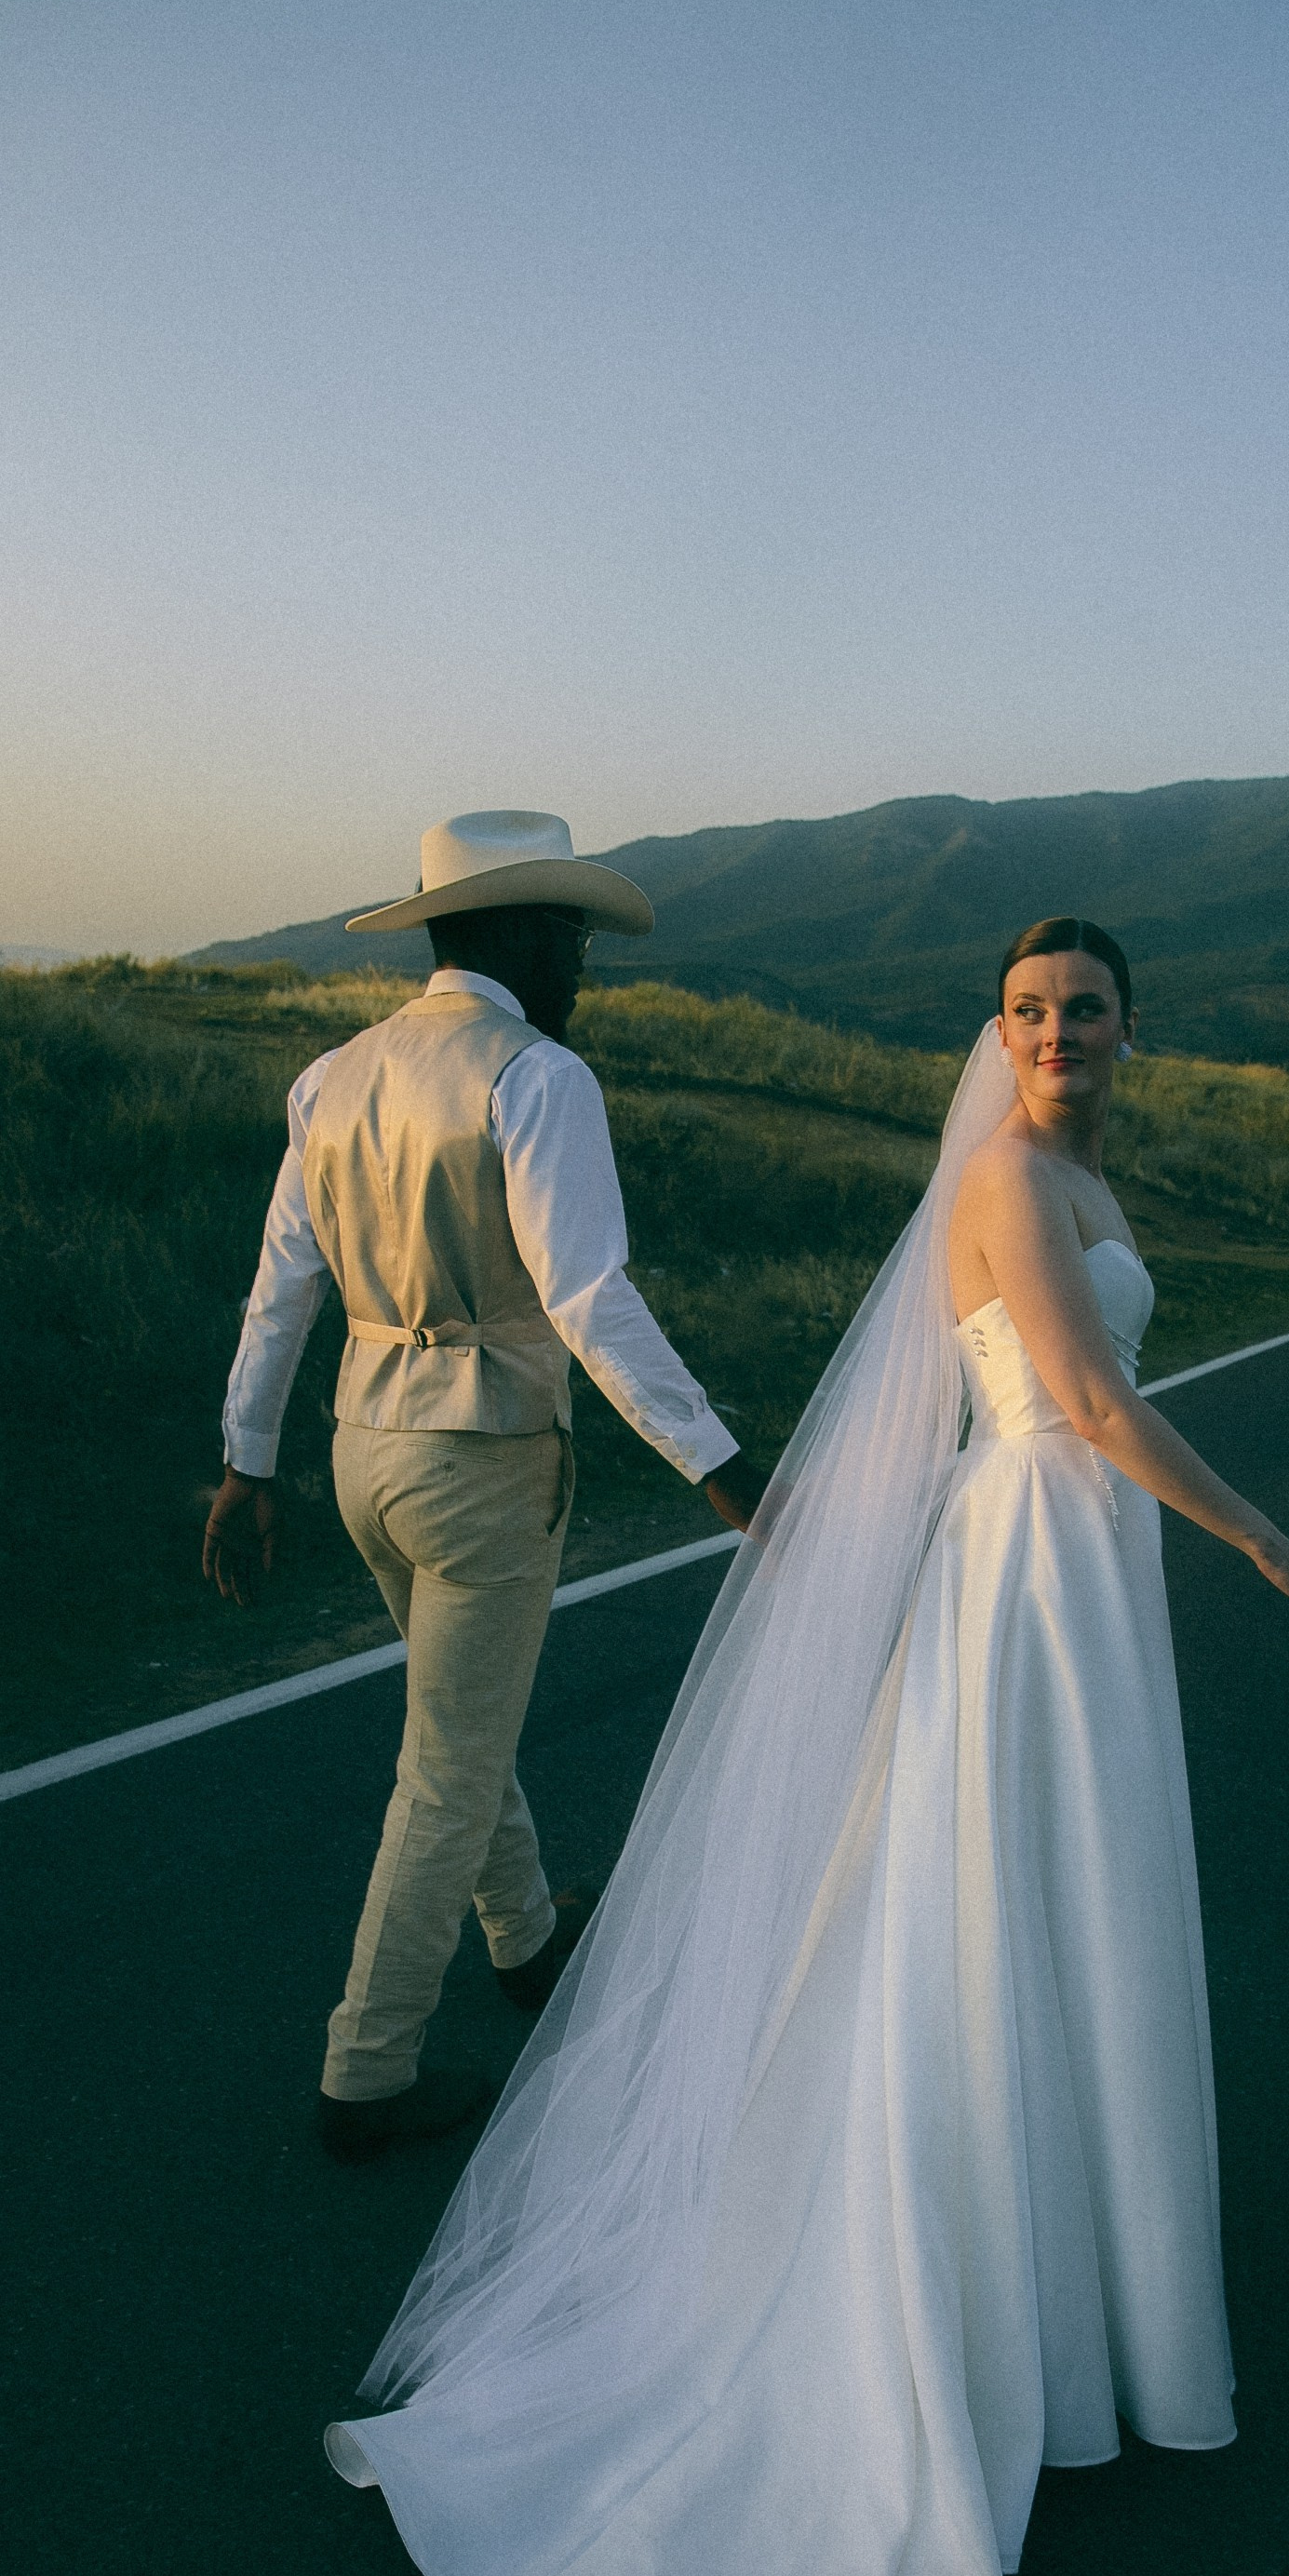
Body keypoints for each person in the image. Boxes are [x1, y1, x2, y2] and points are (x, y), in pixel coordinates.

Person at [321, 917, 1289, 2576]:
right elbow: (1091, 1403)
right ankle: (957, 2333)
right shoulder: (1013, 1181)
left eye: (1083, 1009)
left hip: (1071, 1565)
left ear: (1128, 1025)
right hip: (1036, 1557)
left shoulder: (1075, 1169)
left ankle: (1072, 2308)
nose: (1053, 1033)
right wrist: (1265, 1539)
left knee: (1061, 1918)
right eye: (1026, 1010)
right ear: (1001, 1030)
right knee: (999, 1925)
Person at [202, 809, 767, 2165]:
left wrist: (245, 1460)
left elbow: (281, 1290)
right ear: (518, 931)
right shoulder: (536, 1073)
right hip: (485, 1457)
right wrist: (720, 1462)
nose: (581, 961)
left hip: (359, 1450)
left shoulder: (331, 1077)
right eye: (569, 932)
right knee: (446, 1768)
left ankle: (524, 1939)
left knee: (462, 1717)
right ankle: (368, 2068)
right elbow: (584, 1293)